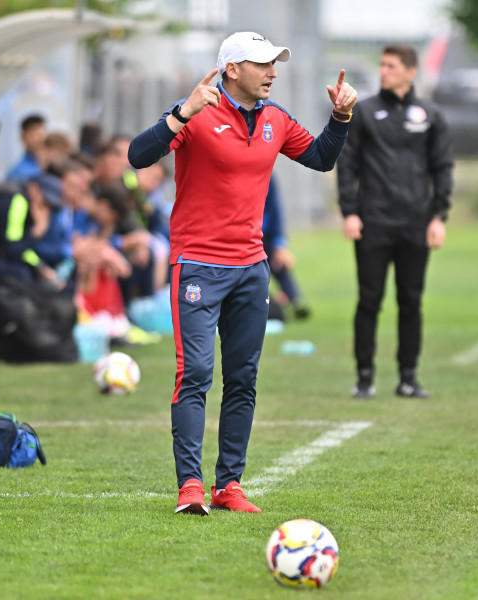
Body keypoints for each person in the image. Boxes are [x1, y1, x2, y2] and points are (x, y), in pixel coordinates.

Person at [128, 31, 357, 515]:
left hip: (252, 270)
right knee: (196, 374)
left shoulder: (276, 119)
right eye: (262, 64)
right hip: (197, 265)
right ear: (232, 69)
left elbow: (320, 158)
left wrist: (340, 118)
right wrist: (180, 114)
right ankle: (190, 486)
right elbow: (137, 156)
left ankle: (228, 486)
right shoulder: (194, 112)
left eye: (275, 63)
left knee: (243, 378)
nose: (273, 72)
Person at [336, 44, 453, 400]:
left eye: (391, 65)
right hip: (373, 223)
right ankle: (365, 377)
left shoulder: (430, 114)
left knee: (411, 301)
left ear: (410, 71)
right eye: (382, 65)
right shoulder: (365, 112)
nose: (383, 70)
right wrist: (349, 212)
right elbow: (348, 164)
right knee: (369, 299)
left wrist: (439, 216)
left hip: (416, 224)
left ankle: (408, 377)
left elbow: (442, 168)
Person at [262, 172, 310, 319]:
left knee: (279, 266)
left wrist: (279, 244)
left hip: (265, 235)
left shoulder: (268, 175)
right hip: (241, 235)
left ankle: (295, 300)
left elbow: (275, 210)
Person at [6, 114, 45, 182]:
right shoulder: (17, 173)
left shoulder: (54, 164)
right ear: (23, 137)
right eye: (33, 134)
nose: (37, 139)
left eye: (40, 134)